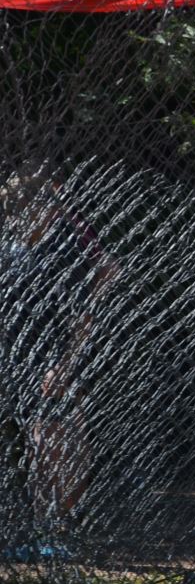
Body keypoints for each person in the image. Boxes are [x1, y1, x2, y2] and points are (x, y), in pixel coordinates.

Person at [1, 163, 114, 543]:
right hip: (15, 354)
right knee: (35, 442)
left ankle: (60, 523)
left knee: (59, 437)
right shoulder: (11, 246)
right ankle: (42, 526)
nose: (16, 219)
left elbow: (85, 310)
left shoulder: (64, 246)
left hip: (55, 354)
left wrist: (64, 364)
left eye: (23, 209)